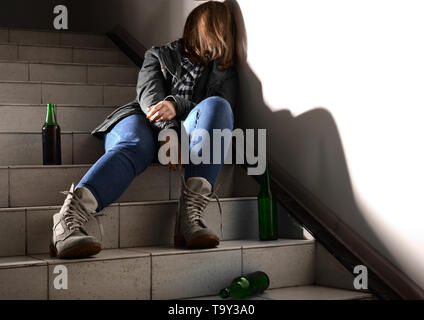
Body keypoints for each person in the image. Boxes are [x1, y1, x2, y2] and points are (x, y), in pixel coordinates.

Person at [50, 1, 240, 259]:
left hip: (186, 135)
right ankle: (67, 221)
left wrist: (178, 104)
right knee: (135, 144)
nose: (222, 33)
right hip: (140, 120)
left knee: (219, 105)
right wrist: (168, 133)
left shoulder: (224, 72)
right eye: (216, 26)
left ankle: (189, 217)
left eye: (225, 28)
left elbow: (219, 114)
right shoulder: (159, 54)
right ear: (198, 26)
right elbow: (149, 97)